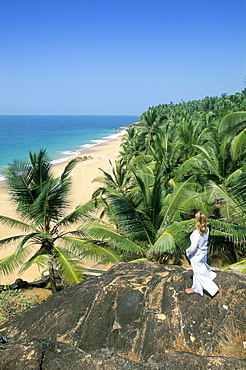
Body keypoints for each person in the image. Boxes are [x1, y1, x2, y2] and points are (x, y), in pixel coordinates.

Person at [185, 211, 219, 296]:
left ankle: (213, 288)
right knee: (197, 271)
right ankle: (195, 288)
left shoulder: (196, 234)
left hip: (197, 255)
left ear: (197, 220)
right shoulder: (206, 230)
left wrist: (188, 252)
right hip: (203, 253)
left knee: (199, 272)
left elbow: (194, 247)